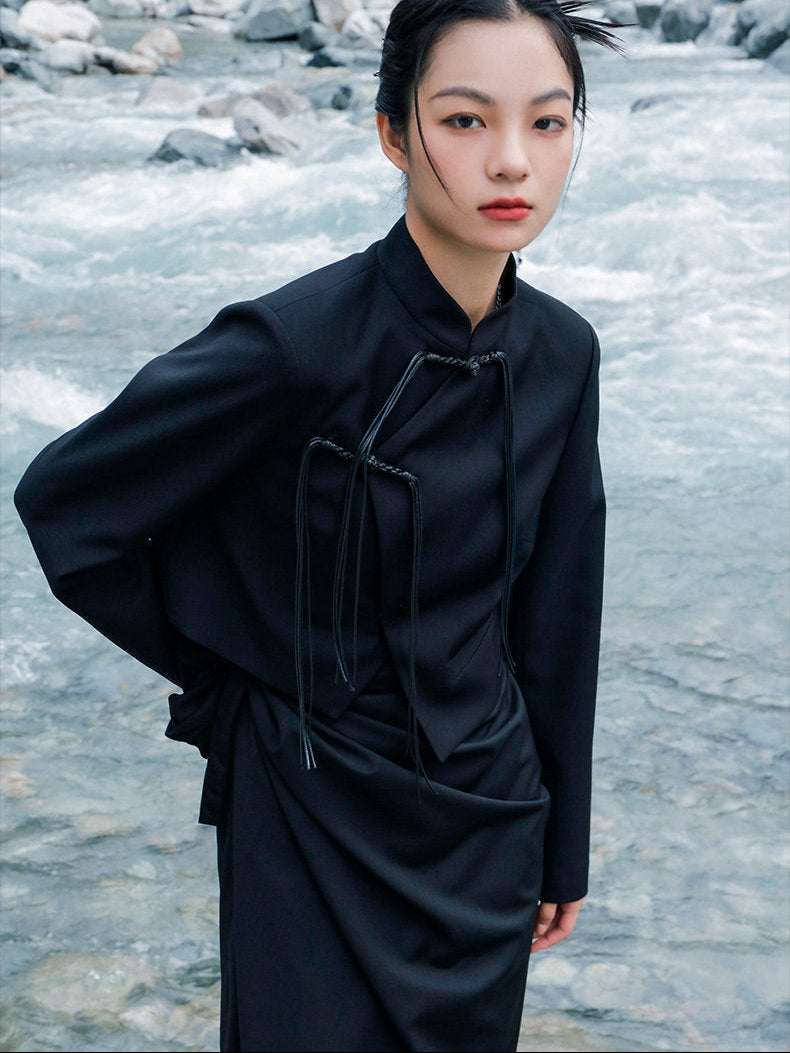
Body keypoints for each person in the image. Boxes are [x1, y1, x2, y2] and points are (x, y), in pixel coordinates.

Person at [14, 1, 621, 1049]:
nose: (512, 162)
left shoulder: (563, 355)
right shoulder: (291, 345)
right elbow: (69, 505)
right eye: (466, 121)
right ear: (392, 132)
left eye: (548, 123)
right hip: (308, 805)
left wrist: (559, 842)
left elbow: (559, 616)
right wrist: (238, 676)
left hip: (486, 819)